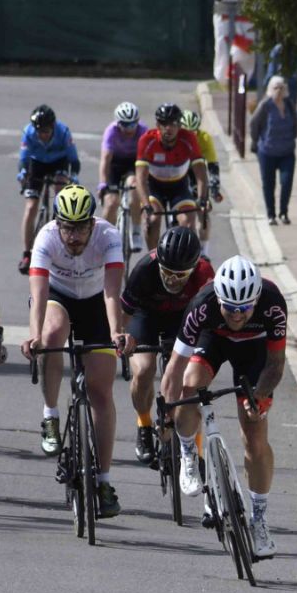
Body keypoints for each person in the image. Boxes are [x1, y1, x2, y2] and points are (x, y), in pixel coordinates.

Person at [163, 255, 289, 560]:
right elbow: (175, 367)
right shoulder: (202, 304)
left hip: (254, 348)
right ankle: (189, 453)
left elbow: (275, 364)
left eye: (244, 308)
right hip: (214, 341)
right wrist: (166, 414)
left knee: (255, 436)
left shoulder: (273, 303)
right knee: (190, 386)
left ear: (255, 300)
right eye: (230, 308)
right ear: (218, 298)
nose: (236, 315)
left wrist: (258, 397)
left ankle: (259, 519)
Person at [19, 184, 127, 519]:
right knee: (51, 335)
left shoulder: (109, 237)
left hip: (97, 303)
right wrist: (35, 336)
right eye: (68, 228)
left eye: (81, 228)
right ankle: (50, 415)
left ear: (93, 223)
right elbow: (38, 295)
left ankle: (104, 482)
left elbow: (112, 292)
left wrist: (116, 333)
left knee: (101, 392)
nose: (74, 236)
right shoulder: (46, 238)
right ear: (58, 224)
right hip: (59, 296)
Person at [119, 224, 213, 463]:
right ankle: (144, 423)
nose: (171, 280)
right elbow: (125, 313)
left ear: (193, 268)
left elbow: (209, 319)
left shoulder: (204, 272)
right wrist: (122, 336)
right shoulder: (144, 268)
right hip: (146, 316)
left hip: (183, 318)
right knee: (144, 369)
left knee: (189, 384)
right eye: (167, 272)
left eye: (179, 275)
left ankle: (196, 451)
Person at [15, 104, 80, 270]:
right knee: (31, 207)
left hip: (59, 162)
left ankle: (59, 236)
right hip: (37, 163)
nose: (43, 135)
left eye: (46, 131)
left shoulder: (63, 132)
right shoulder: (28, 132)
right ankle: (27, 254)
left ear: (53, 127)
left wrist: (74, 175)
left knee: (61, 196)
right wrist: (23, 173)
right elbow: (23, 159)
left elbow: (73, 159)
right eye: (39, 131)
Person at [134, 102, 204, 244]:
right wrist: (146, 205)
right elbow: (140, 178)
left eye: (173, 123)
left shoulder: (188, 138)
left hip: (179, 186)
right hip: (154, 186)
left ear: (179, 125)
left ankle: (185, 256)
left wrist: (202, 198)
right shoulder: (147, 140)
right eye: (164, 123)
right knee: (152, 220)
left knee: (188, 222)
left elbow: (200, 172)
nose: (168, 128)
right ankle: (154, 256)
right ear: (157, 125)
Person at [249, 75, 297, 225]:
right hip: (267, 152)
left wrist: (292, 138)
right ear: (270, 89)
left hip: (287, 152)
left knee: (286, 182)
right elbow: (254, 123)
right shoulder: (265, 105)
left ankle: (284, 212)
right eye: (276, 88)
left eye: (281, 88)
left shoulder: (289, 104)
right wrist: (256, 141)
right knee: (268, 184)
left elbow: (295, 123)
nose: (279, 91)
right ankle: (271, 214)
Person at [99, 102, 144, 245]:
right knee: (111, 203)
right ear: (118, 123)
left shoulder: (143, 131)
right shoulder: (111, 132)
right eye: (125, 125)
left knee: (134, 187)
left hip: (134, 163)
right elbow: (105, 160)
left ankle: (136, 229)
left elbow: (147, 160)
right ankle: (105, 237)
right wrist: (103, 184)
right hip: (115, 164)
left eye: (133, 124)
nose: (129, 129)